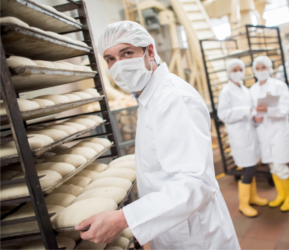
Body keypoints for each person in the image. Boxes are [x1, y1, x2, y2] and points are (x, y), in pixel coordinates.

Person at [75, 21, 240, 249]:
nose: (119, 65)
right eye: (111, 59)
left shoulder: (174, 99)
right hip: (172, 225)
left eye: (127, 53)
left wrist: (123, 218)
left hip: (195, 234)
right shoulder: (149, 96)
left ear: (150, 51)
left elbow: (197, 182)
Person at [217, 59, 267, 218]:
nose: (238, 72)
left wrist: (254, 117)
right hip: (239, 136)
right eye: (235, 70)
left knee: (252, 166)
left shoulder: (245, 90)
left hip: (249, 132)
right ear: (229, 73)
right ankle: (243, 203)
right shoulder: (226, 91)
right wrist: (247, 110)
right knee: (248, 168)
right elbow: (223, 114)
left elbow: (250, 112)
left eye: (240, 69)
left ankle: (253, 197)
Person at [249, 56, 289, 212]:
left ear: (269, 68)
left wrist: (268, 110)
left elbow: (288, 108)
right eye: (258, 68)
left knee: (281, 166)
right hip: (263, 132)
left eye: (264, 67)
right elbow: (252, 112)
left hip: (278, 131)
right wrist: (255, 116)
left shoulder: (279, 85)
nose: (261, 71)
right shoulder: (253, 89)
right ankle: (281, 195)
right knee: (272, 167)